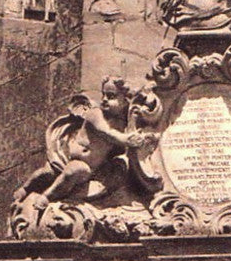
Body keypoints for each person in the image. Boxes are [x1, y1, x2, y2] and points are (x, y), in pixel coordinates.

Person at [12, 78, 156, 215]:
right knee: (45, 173)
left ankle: (47, 197)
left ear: (125, 101)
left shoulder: (122, 121)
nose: (105, 99)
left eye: (111, 96)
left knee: (72, 173)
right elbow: (106, 133)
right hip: (68, 157)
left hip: (90, 168)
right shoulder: (95, 114)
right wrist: (126, 139)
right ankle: (25, 189)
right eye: (104, 95)